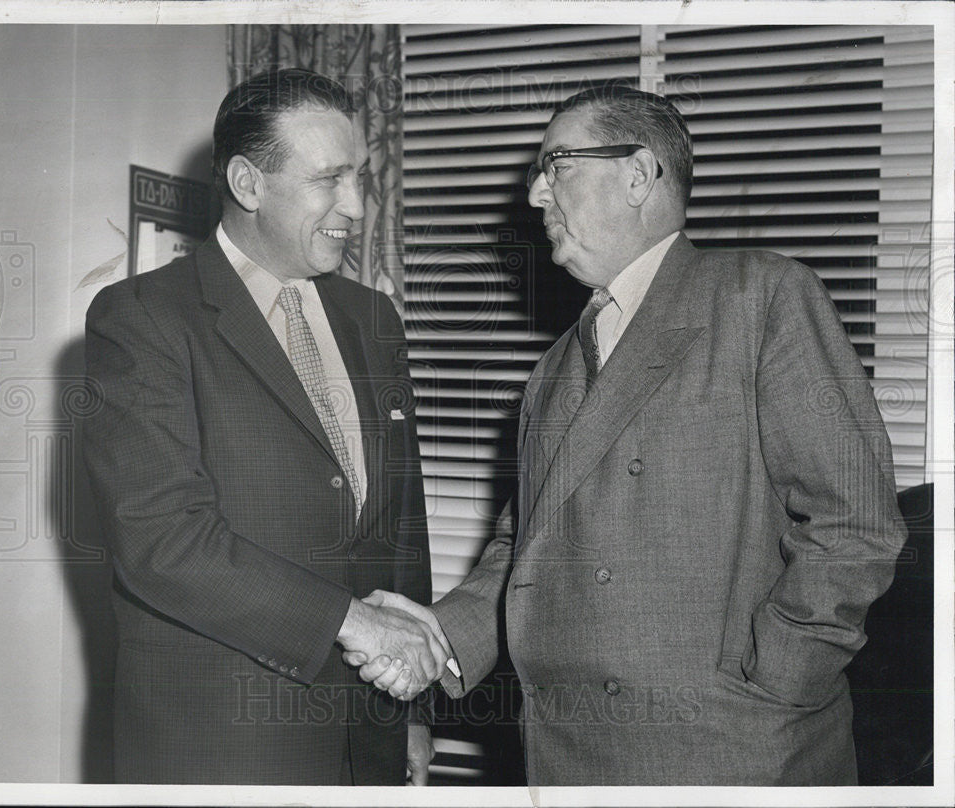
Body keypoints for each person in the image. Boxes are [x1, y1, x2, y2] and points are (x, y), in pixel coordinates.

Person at [350, 83, 908, 786]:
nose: (534, 197)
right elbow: (520, 550)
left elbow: (855, 521)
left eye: (555, 166)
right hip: (570, 755)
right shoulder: (554, 368)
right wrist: (438, 638)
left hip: (730, 752)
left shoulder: (761, 296)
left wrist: (777, 679)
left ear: (639, 174)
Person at [82, 68, 449, 786]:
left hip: (369, 734)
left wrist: (412, 708)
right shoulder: (143, 319)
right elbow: (162, 541)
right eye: (329, 180)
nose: (356, 206)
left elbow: (401, 524)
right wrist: (357, 624)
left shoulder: (374, 319)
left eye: (361, 180)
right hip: (224, 744)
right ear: (248, 185)